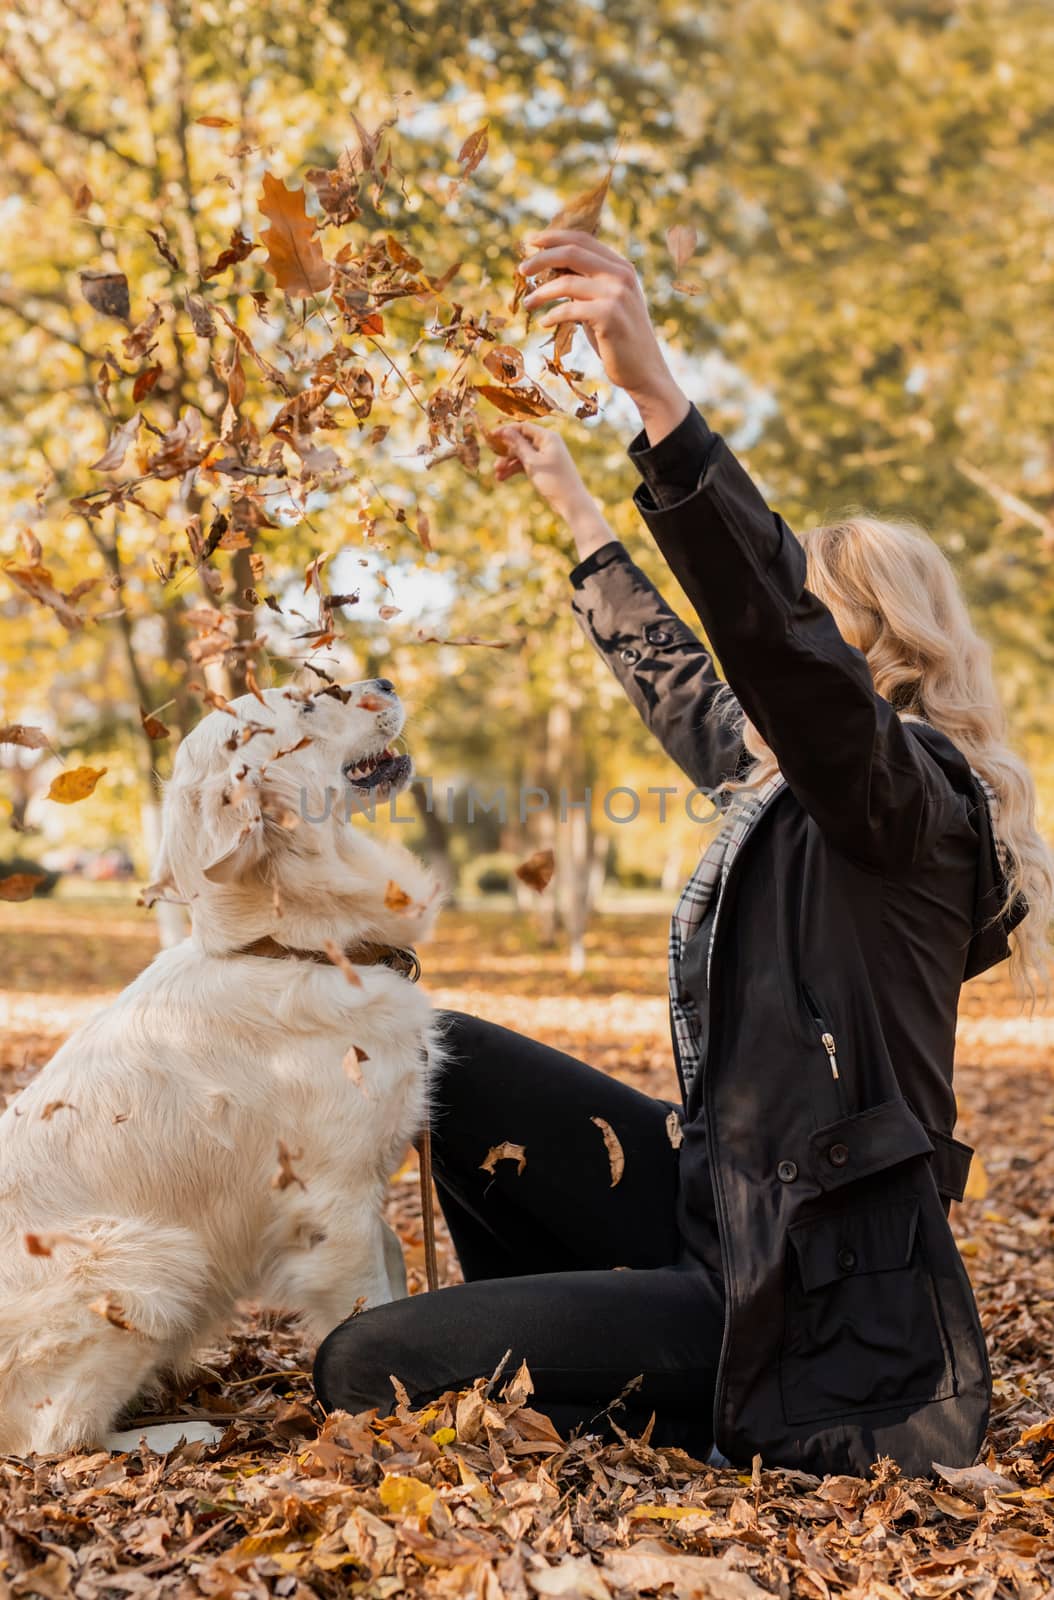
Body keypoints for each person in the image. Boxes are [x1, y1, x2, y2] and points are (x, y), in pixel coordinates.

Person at [313, 229, 1053, 1476]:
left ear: (859, 641)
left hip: (803, 1296)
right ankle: (586, 1337)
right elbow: (687, 688)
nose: (779, 652)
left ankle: (619, 1371)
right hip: (720, 1203)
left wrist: (656, 394)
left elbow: (776, 650)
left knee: (366, 1365)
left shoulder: (903, 798)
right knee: (438, 1049)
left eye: (813, 618)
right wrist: (574, 504)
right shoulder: (795, 784)